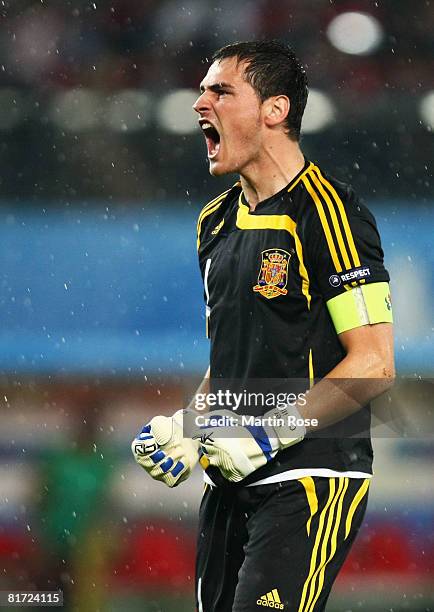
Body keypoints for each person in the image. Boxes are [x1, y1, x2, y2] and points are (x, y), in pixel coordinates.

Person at [132, 40, 394, 611]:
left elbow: (374, 364)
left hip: (312, 475)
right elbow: (232, 363)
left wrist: (270, 431)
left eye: (220, 91)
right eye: (201, 90)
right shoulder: (214, 220)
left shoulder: (332, 214)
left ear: (275, 111)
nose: (200, 103)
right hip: (229, 481)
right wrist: (190, 426)